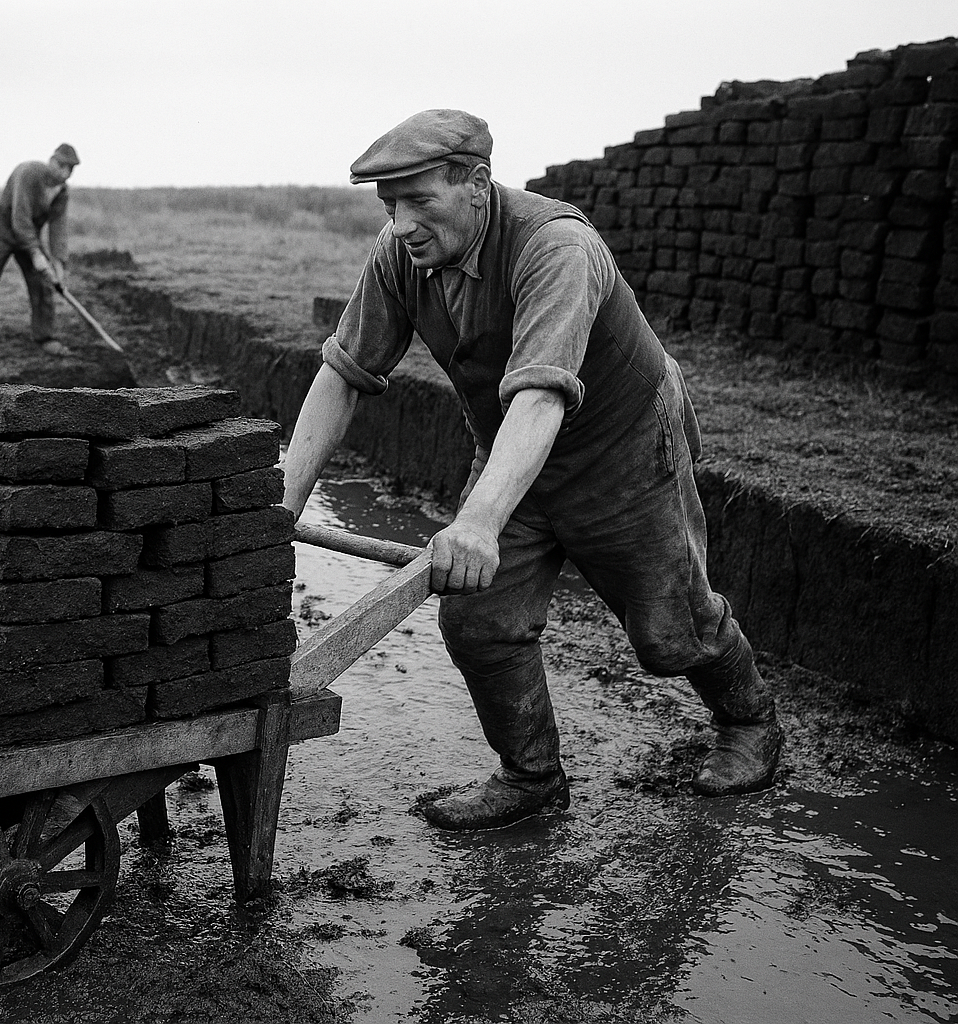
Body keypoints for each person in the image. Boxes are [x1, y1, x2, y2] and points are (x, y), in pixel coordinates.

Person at [281, 110, 783, 831]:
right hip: (512, 446)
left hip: (621, 449)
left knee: (671, 629)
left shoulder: (555, 247)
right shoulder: (400, 256)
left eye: (420, 200)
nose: (401, 223)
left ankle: (750, 721)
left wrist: (479, 523)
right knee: (480, 617)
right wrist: (285, 502)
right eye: (389, 205)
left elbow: (543, 390)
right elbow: (345, 370)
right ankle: (531, 776)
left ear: (477, 183)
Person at [0, 143, 79, 356]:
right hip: (2, 230)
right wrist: (35, 253)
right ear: (51, 161)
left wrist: (58, 265)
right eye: (61, 166)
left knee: (43, 283)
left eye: (70, 169)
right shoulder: (28, 173)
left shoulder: (62, 192)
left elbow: (58, 229)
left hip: (29, 235)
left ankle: (45, 337)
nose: (65, 173)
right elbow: (20, 217)